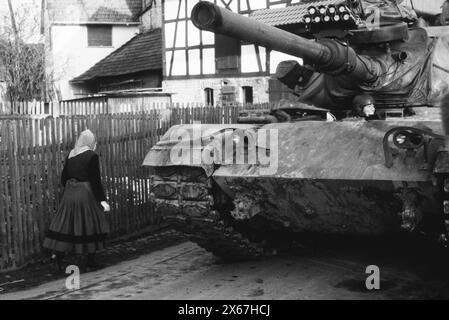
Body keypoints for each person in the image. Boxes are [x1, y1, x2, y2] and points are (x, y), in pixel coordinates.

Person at [43, 129, 111, 271]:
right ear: (91, 142)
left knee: (66, 224)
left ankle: (58, 256)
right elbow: (95, 181)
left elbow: (63, 178)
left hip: (69, 194)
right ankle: (90, 262)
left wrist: (71, 187)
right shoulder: (92, 156)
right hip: (85, 194)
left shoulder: (71, 154)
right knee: (90, 223)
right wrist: (102, 200)